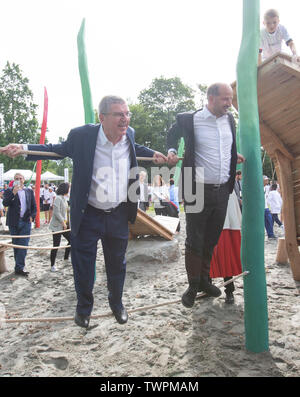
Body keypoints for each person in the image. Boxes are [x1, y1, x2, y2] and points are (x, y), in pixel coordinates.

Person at [0, 95, 167, 328]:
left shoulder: (129, 133)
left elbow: (135, 148)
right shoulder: (82, 136)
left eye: (127, 114)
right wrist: (23, 149)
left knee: (117, 264)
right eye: (119, 114)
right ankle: (83, 309)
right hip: (88, 213)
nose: (125, 119)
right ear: (102, 117)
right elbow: (55, 150)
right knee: (83, 266)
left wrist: (153, 153)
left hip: (118, 213)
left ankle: (116, 304)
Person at [167, 82, 245, 308]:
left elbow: (224, 148)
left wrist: (234, 155)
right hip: (195, 187)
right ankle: (193, 286)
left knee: (211, 239)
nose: (230, 104)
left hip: (222, 189)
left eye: (230, 99)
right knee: (194, 239)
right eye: (225, 99)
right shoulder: (190, 118)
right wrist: (171, 151)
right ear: (211, 98)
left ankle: (203, 280)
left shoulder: (229, 120)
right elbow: (172, 134)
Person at [209, 192, 242, 304]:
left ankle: (229, 291)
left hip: (226, 226)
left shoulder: (228, 189)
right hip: (208, 225)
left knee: (225, 258)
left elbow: (234, 212)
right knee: (206, 258)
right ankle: (207, 288)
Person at [2, 173, 37, 277]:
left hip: (26, 221)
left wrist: (32, 216)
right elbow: (5, 203)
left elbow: (34, 206)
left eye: (20, 178)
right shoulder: (9, 190)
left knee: (23, 245)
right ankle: (18, 267)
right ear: (14, 180)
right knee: (16, 245)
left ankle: (20, 267)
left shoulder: (29, 191)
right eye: (16, 178)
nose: (19, 180)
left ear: (24, 179)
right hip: (14, 222)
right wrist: (13, 193)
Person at [49, 182, 71, 272]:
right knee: (56, 245)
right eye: (68, 188)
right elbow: (56, 212)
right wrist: (63, 222)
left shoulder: (64, 198)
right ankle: (52, 265)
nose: (69, 190)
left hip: (65, 226)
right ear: (65, 189)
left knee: (71, 240)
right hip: (57, 226)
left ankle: (66, 258)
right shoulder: (58, 198)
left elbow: (66, 210)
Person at [264, 175, 276, 240]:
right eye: (266, 180)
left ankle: (271, 234)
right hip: (261, 208)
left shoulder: (267, 188)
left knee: (270, 221)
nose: (267, 181)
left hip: (266, 207)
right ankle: (270, 234)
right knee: (265, 222)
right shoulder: (260, 187)